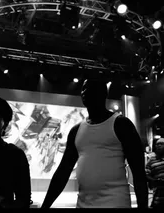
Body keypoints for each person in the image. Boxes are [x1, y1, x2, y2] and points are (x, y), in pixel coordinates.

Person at [41, 79, 148, 208]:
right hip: (83, 204)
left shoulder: (121, 124)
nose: (85, 92)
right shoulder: (76, 130)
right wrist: (45, 206)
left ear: (104, 93)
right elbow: (62, 172)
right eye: (83, 89)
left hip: (115, 203)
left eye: (90, 88)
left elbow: (139, 174)